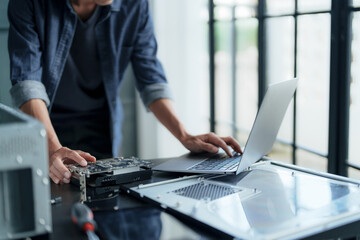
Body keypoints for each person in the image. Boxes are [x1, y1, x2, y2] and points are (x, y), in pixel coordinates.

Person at [7, 0, 242, 184]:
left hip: (103, 129)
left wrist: (184, 135)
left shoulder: (135, 5)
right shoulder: (28, 3)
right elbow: (27, 82)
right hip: (46, 129)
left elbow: (150, 77)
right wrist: (53, 148)